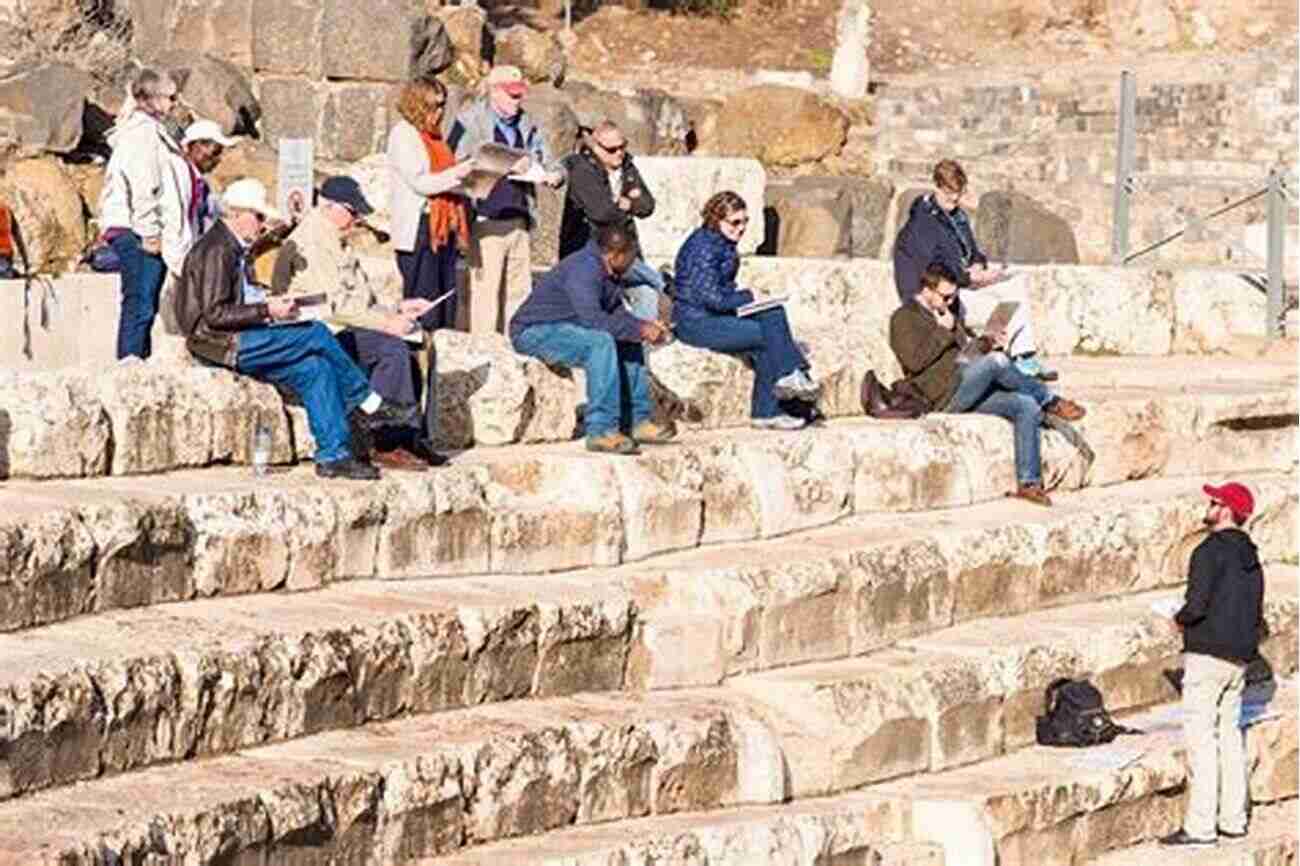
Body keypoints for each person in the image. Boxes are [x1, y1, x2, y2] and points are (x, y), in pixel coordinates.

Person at [173, 178, 408, 481]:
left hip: (236, 335)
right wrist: (267, 310)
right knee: (316, 334)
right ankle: (367, 400)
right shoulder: (218, 249)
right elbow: (215, 315)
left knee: (316, 368)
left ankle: (334, 456)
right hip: (221, 342)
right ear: (236, 213)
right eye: (258, 217)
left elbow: (233, 303)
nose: (262, 225)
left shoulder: (233, 247)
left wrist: (268, 306)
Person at [271, 175, 444, 470]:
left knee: (413, 352)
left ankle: (409, 436)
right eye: (353, 212)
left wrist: (398, 308)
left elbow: (361, 299)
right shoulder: (311, 241)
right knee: (391, 350)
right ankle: (383, 440)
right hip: (325, 331)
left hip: (349, 322)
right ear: (330, 207)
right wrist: (387, 323)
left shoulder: (337, 238)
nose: (357, 219)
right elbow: (334, 306)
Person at [889, 263, 1085, 506]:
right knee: (998, 362)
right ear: (927, 289)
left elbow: (963, 357)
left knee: (1026, 405)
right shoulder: (904, 318)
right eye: (946, 296)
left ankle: (1029, 483)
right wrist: (943, 332)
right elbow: (915, 361)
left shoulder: (945, 314)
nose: (950, 302)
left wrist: (985, 342)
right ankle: (1051, 400)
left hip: (965, 383)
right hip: (942, 395)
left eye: (953, 296)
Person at [509, 224, 675, 454]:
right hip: (534, 331)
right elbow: (593, 320)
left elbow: (617, 316)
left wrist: (644, 329)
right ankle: (601, 430)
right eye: (631, 257)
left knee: (629, 337)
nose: (633, 263)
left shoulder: (610, 272)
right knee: (600, 342)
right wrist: (639, 328)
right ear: (615, 254)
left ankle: (636, 420)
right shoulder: (583, 269)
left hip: (570, 327)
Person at [1161, 482, 1265, 848]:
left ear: (1226, 511)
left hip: (1207, 658)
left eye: (1214, 501)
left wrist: (1178, 619)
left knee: (1201, 741)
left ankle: (1201, 826)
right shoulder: (1252, 556)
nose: (1208, 506)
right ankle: (1233, 820)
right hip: (1238, 660)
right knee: (1230, 737)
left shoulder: (1207, 552)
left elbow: (1198, 604)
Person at [893, 158, 1057, 382]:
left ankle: (1024, 355)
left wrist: (979, 264)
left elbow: (972, 251)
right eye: (949, 191)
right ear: (936, 186)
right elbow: (937, 271)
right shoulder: (923, 222)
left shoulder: (957, 217)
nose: (954, 197)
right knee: (1001, 306)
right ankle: (1010, 358)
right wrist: (968, 276)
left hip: (965, 284)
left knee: (1014, 284)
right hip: (945, 296)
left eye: (958, 192)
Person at [672, 190, 820, 431]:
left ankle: (782, 388)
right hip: (696, 322)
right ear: (715, 219)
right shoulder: (703, 248)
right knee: (767, 337)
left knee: (774, 313)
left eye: (744, 222)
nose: (740, 228)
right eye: (734, 222)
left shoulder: (723, 243)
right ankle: (785, 385)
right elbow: (713, 298)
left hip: (715, 316)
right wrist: (749, 296)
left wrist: (755, 299)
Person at [448, 65, 565, 334]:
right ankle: (485, 351)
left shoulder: (528, 123)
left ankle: (516, 348)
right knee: (486, 295)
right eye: (512, 95)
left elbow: (550, 160)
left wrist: (554, 175)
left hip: (519, 219)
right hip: (485, 219)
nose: (518, 100)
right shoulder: (469, 121)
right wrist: (504, 166)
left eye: (520, 94)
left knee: (518, 293)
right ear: (493, 91)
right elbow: (456, 164)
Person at [98, 67, 185, 359]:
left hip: (134, 226)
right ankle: (130, 367)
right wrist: (149, 232)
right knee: (139, 304)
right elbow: (143, 183)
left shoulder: (146, 130)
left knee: (142, 304)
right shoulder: (143, 132)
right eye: (170, 97)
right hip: (136, 229)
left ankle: (135, 361)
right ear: (151, 98)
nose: (175, 103)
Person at [560, 120, 664, 323]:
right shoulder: (582, 168)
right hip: (592, 250)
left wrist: (625, 204)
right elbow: (601, 213)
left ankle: (640, 343)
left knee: (646, 293)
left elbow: (647, 206)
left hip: (624, 248)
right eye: (612, 149)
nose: (619, 153)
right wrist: (626, 203)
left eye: (622, 146)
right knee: (646, 278)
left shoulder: (626, 167)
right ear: (596, 147)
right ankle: (667, 285)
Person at [156, 118, 234, 336]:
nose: (217, 159)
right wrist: (181, 263)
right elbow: (175, 218)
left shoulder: (200, 182)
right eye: (214, 151)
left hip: (190, 259)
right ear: (196, 146)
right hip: (177, 260)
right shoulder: (177, 171)